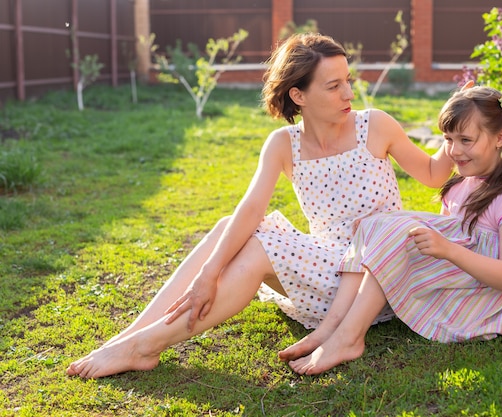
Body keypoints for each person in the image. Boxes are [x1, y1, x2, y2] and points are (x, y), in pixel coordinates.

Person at [65, 32, 454, 379]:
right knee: (226, 227)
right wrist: (207, 274)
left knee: (261, 245)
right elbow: (250, 209)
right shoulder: (284, 144)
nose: (349, 94)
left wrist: (458, 130)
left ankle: (145, 347)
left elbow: (434, 174)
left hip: (371, 279)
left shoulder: (376, 125)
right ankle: (128, 338)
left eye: (348, 81)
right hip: (324, 265)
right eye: (334, 86)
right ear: (298, 95)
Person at [284, 85, 502, 375]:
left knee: (395, 230)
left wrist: (446, 249)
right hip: (458, 284)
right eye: (448, 139)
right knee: (377, 223)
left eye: (466, 140)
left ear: (501, 138)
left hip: (484, 302)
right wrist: (375, 231)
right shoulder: (461, 185)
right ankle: (332, 325)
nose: (454, 151)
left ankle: (348, 338)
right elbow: (449, 237)